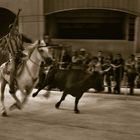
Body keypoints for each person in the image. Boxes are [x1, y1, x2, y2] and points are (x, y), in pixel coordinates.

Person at [6, 24, 26, 94]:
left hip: (20, 54)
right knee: (13, 69)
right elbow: (10, 49)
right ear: (11, 30)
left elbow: (21, 46)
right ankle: (11, 87)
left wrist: (23, 50)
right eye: (14, 29)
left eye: (16, 29)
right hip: (13, 56)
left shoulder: (18, 36)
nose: (16, 30)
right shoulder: (8, 38)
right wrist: (15, 54)